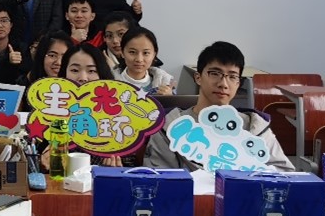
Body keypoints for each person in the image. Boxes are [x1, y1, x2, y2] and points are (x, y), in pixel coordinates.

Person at [144, 41, 294, 172]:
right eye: (215, 73)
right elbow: (162, 180)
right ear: (198, 77)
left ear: (238, 83)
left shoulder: (254, 127)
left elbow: (283, 174)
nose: (223, 83)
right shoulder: (170, 127)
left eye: (232, 76)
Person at [46, 44, 124, 167]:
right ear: (64, 73)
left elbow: (130, 164)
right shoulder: (50, 109)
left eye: (91, 71)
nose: (83, 78)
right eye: (74, 70)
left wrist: (115, 171)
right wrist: (43, 162)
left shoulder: (117, 116)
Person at [113, 27, 175, 98]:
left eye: (145, 53)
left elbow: (180, 104)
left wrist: (169, 98)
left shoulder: (164, 82)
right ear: (122, 53)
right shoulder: (110, 80)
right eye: (132, 52)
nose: (139, 59)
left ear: (154, 54)